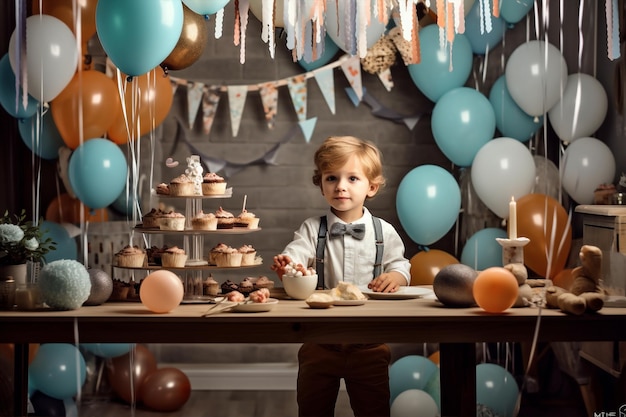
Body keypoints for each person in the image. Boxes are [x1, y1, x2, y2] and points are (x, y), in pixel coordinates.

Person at [271, 135, 411, 417]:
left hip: (369, 343)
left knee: (374, 409)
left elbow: (401, 264)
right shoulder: (313, 229)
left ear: (371, 187)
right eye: (332, 178)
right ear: (321, 184)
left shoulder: (384, 231)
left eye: (352, 179)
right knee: (312, 408)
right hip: (320, 341)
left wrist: (396, 276)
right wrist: (289, 264)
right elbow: (296, 254)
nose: (341, 186)